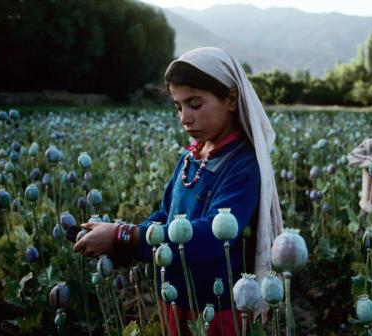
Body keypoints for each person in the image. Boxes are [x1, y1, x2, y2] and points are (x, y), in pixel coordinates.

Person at [73, 47, 283, 335]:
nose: (185, 118)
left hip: (216, 309)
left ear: (231, 99)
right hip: (174, 296)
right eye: (178, 106)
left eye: (195, 104)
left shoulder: (243, 166)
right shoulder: (191, 156)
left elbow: (211, 235)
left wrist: (125, 236)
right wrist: (119, 236)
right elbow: (164, 214)